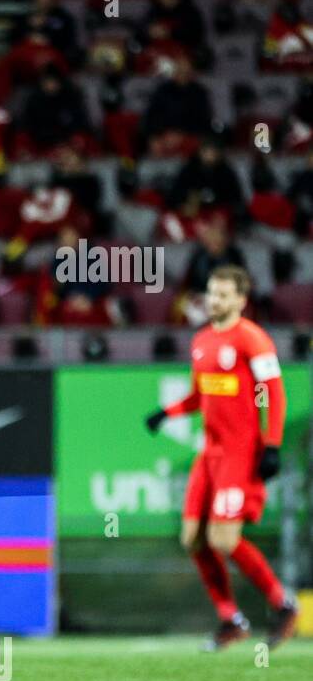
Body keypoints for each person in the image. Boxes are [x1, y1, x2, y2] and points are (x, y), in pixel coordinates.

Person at [144, 267, 299, 650]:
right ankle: (231, 619)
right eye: (212, 293)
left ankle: (282, 603)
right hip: (209, 453)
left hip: (240, 452)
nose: (216, 301)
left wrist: (273, 445)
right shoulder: (202, 341)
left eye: (225, 295)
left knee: (224, 537)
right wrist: (167, 412)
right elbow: (201, 396)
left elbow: (273, 394)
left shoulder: (253, 339)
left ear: (241, 300)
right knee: (193, 538)